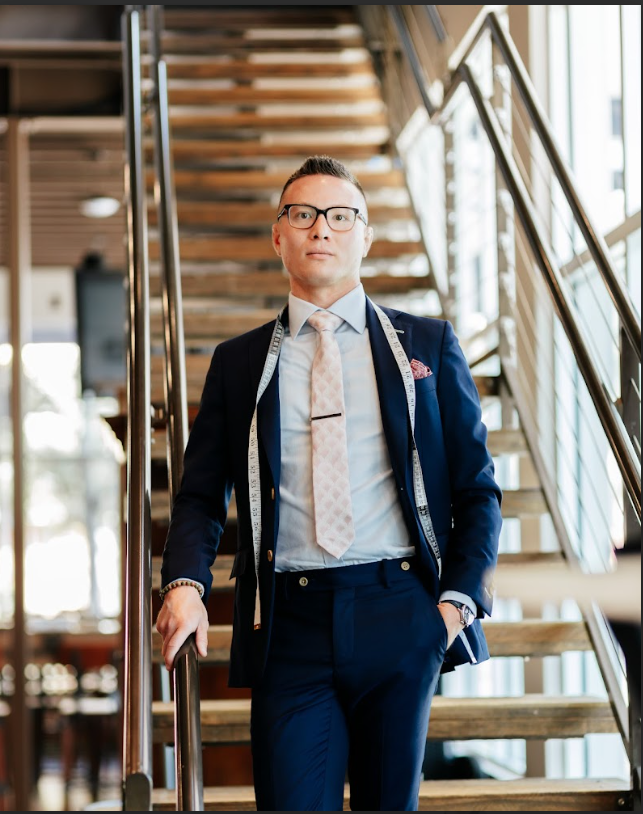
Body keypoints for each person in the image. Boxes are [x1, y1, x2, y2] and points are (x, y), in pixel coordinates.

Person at [156, 155, 502, 811]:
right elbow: (201, 495)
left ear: (364, 236)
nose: (322, 229)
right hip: (290, 623)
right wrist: (185, 585)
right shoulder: (238, 363)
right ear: (277, 235)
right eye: (303, 214)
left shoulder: (425, 344)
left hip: (400, 611)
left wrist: (453, 605)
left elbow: (476, 492)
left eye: (341, 216)